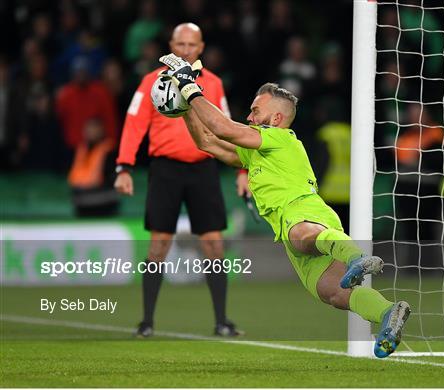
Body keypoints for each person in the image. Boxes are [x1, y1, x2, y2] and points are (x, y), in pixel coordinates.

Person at [157, 54, 411, 358]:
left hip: (304, 213)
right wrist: (185, 108)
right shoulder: (257, 154)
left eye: (255, 111)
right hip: (293, 227)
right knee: (333, 293)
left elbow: (222, 127)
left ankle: (358, 255)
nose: (249, 117)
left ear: (276, 119)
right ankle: (387, 312)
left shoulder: (278, 139)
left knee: (301, 236)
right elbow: (208, 142)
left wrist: (188, 86)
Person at [114, 23, 243, 338]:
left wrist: (243, 169)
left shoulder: (212, 83)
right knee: (159, 245)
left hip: (203, 169)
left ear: (200, 48)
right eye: (180, 44)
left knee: (213, 244)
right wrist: (124, 167)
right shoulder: (152, 82)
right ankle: (146, 322)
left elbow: (227, 128)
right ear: (171, 45)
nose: (186, 49)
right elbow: (134, 123)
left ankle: (221, 321)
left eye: (192, 44)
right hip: (166, 170)